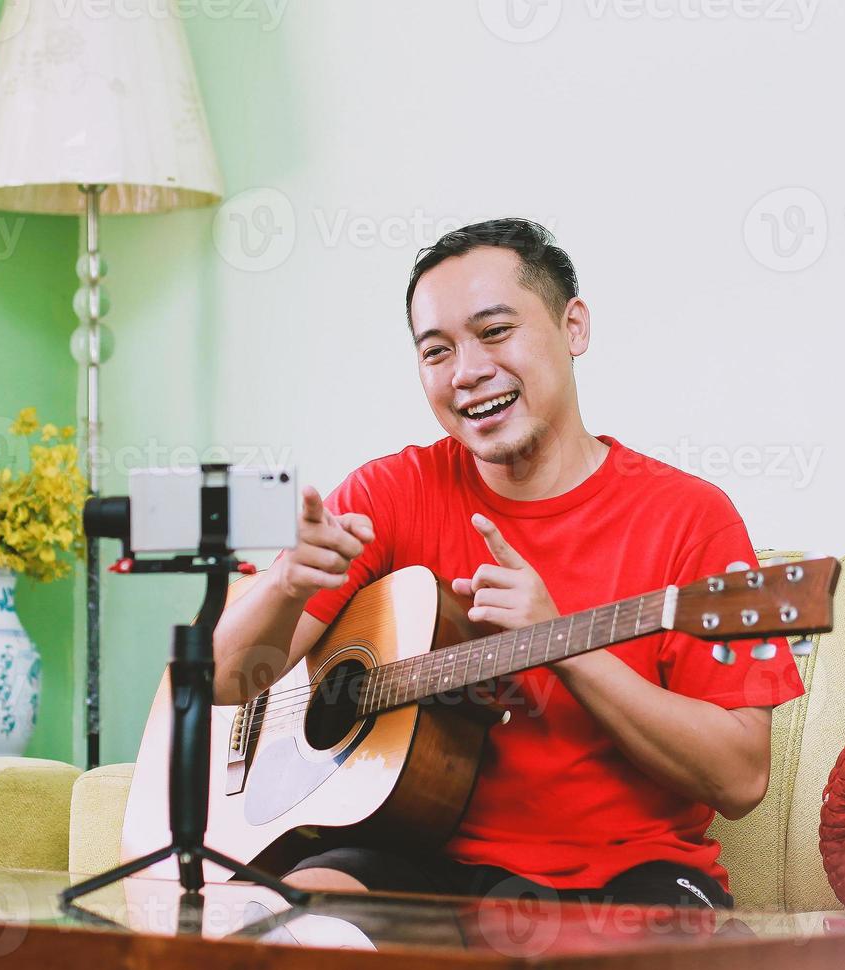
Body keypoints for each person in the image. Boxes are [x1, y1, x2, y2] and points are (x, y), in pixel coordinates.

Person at [211, 218, 806, 909]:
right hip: (418, 855)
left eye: (495, 332)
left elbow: (739, 780)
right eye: (437, 351)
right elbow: (224, 681)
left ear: (573, 326)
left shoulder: (692, 519)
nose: (467, 373)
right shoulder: (388, 495)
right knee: (281, 917)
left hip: (628, 877)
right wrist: (285, 582)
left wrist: (562, 642)